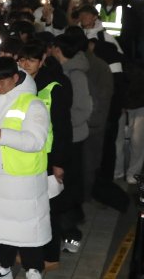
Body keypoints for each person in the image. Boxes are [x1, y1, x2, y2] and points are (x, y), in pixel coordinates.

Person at [0, 57, 51, 279]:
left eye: (2, 81)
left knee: (28, 228)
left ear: (15, 78)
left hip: (21, 179)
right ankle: (2, 266)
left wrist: (2, 135)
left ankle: (34, 269)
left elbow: (36, 140)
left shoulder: (32, 103)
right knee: (3, 225)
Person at [17, 41, 72, 271]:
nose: (25, 64)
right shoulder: (16, 84)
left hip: (47, 157)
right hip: (24, 155)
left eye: (31, 59)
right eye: (22, 59)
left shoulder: (52, 86)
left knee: (48, 209)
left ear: (41, 61)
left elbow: (62, 127)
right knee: (28, 207)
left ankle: (50, 256)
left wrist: (59, 163)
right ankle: (29, 250)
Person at [51, 34, 93, 253]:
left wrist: (63, 124)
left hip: (73, 139)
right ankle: (64, 231)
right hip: (65, 137)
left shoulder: (75, 74)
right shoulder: (62, 71)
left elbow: (84, 109)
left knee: (67, 188)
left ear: (57, 49)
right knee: (62, 188)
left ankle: (71, 235)